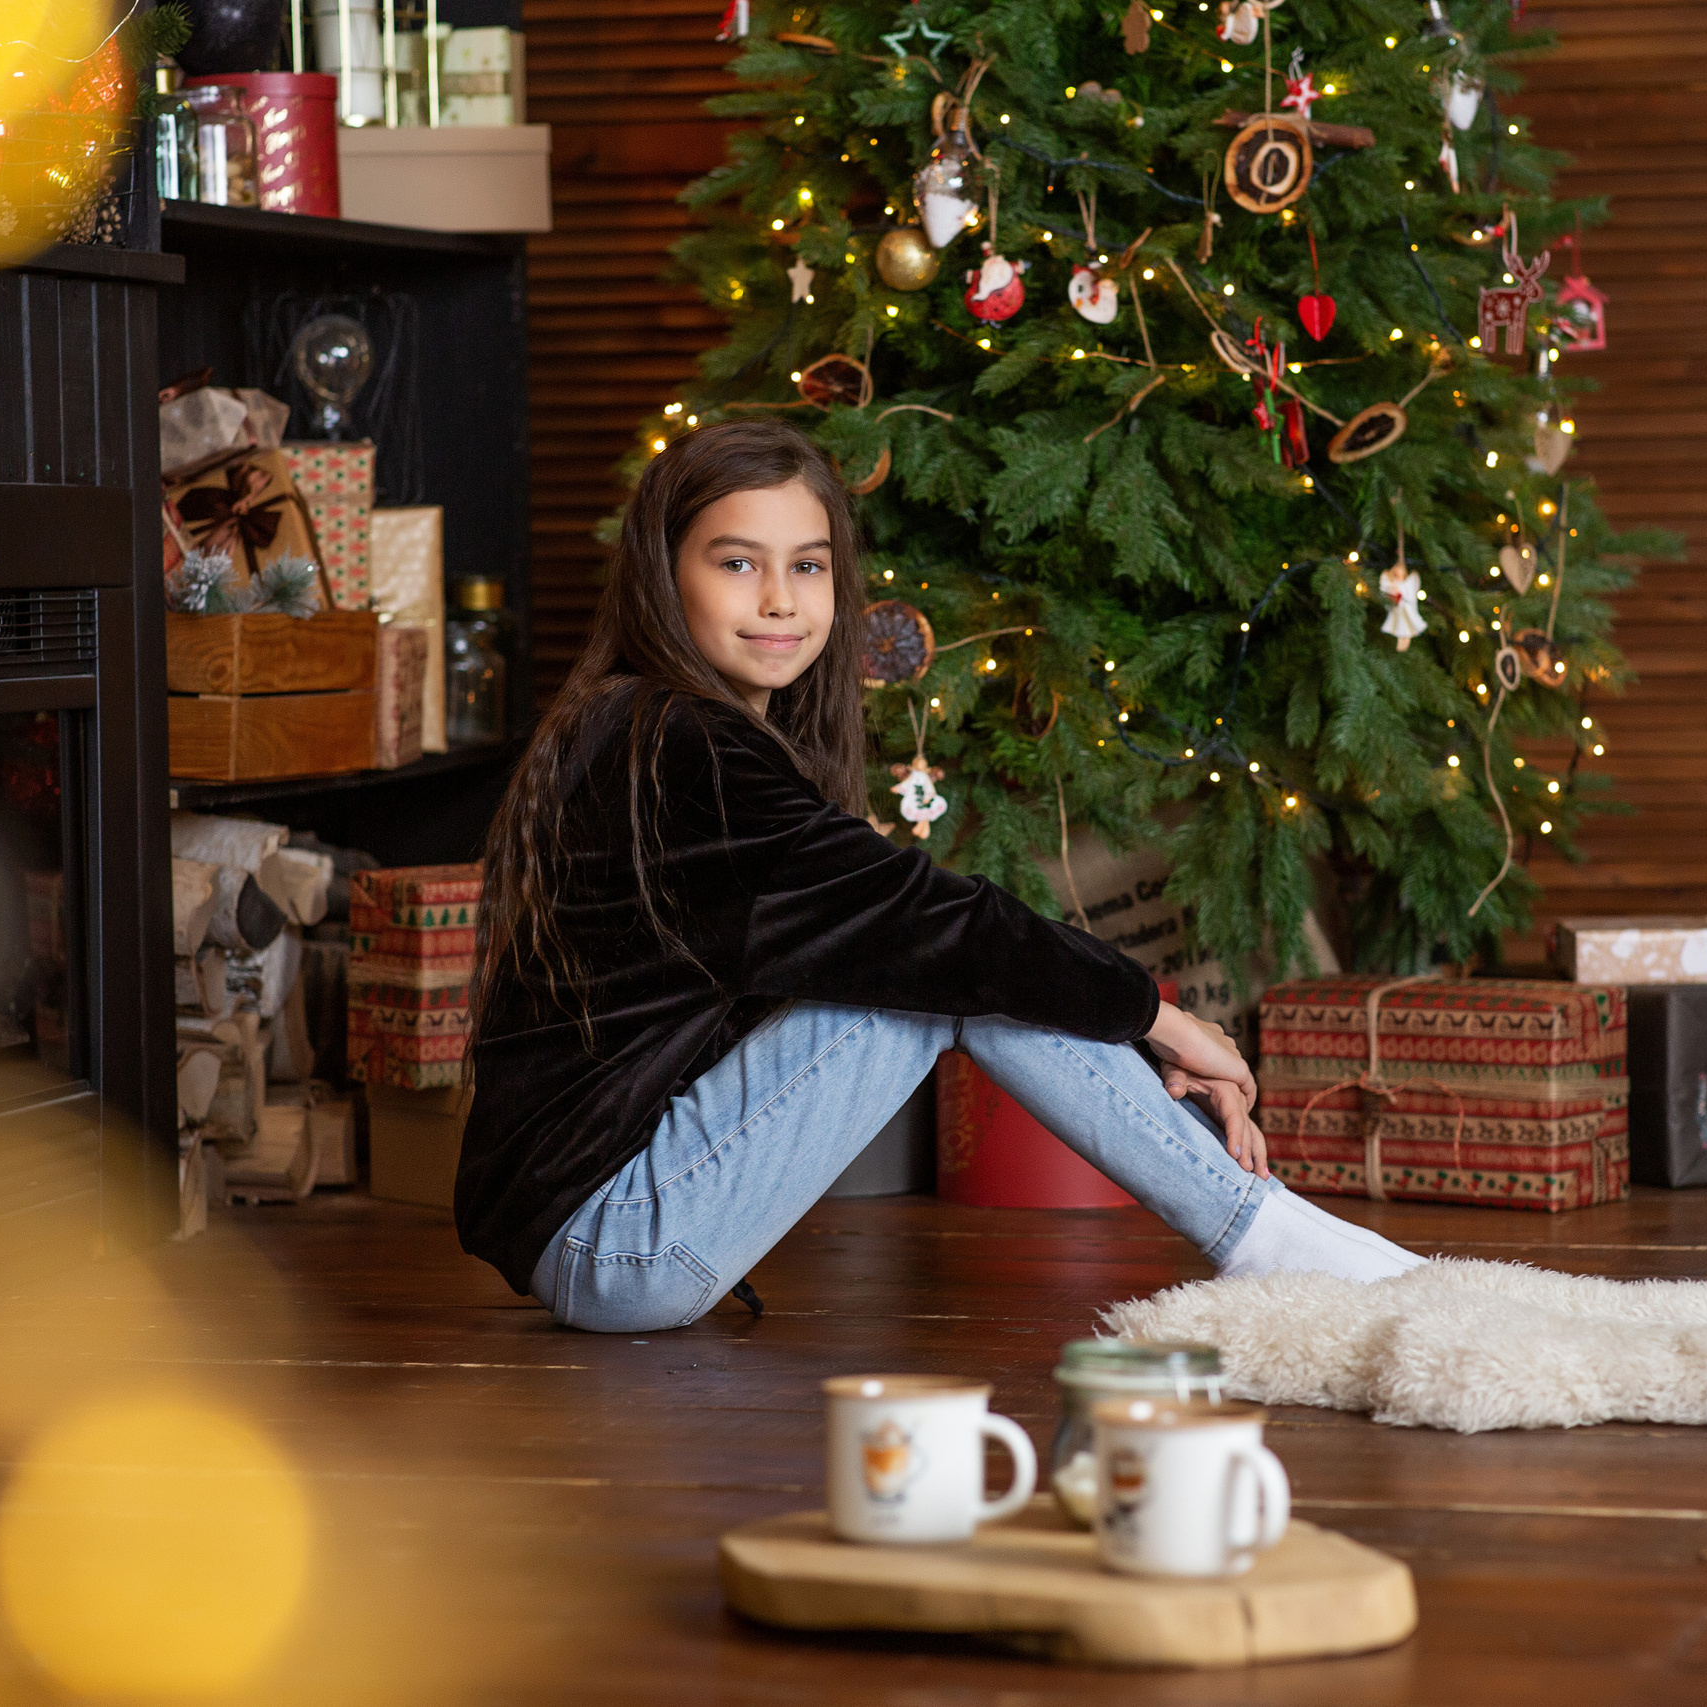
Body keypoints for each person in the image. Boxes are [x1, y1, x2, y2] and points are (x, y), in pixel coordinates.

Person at [461, 419, 1424, 1332]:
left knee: (952, 952)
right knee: (947, 964)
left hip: (606, 1231)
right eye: (738, 563)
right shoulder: (681, 748)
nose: (780, 600)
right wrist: (1162, 1020)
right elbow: (934, 928)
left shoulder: (653, 727)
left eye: (807, 566)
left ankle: (1262, 1228)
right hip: (618, 1240)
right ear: (663, 577)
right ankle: (1261, 1234)